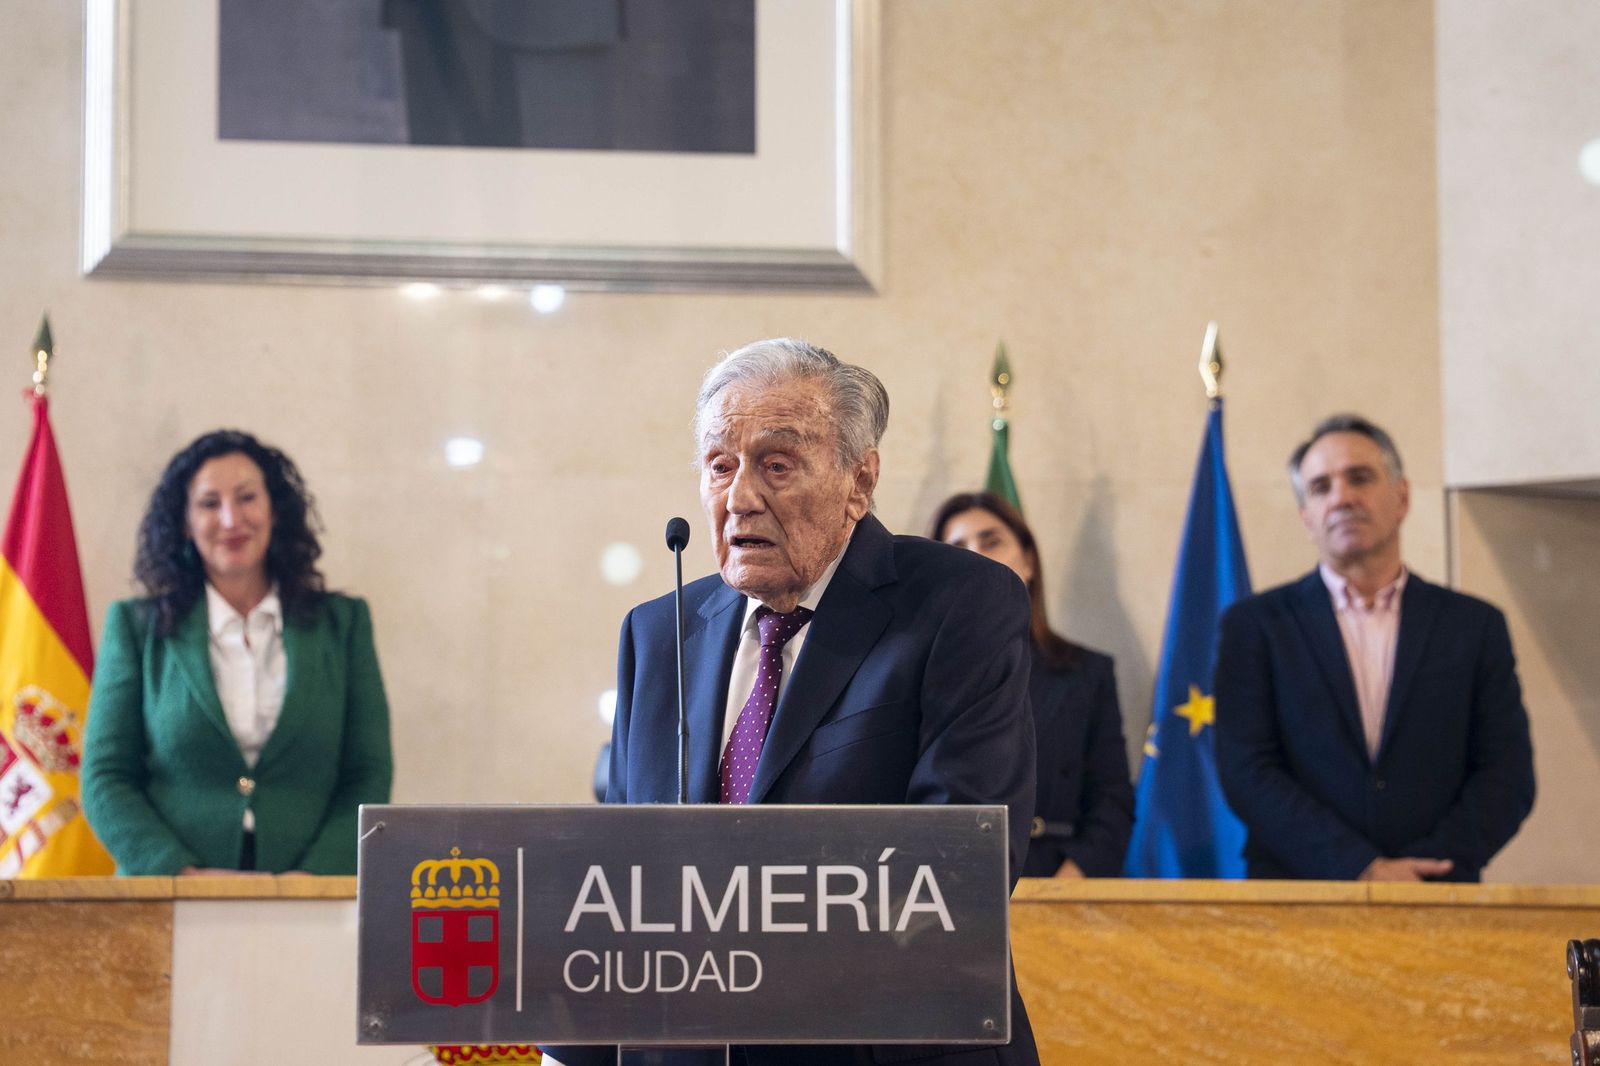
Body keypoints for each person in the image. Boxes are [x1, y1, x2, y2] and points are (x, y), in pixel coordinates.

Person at [557, 338, 1040, 1066]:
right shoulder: (660, 635)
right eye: (720, 466)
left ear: (860, 479)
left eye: (776, 465)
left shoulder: (959, 604)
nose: (740, 496)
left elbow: (958, 867)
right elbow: (627, 880)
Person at [1213, 414, 1535, 881]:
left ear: (1402, 497)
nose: (1341, 497)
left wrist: (1423, 871)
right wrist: (1359, 867)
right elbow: (1247, 772)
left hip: (1437, 900)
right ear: (1307, 518)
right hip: (1300, 898)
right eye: (1321, 487)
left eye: (1359, 478)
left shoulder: (1474, 626)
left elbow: (1507, 775)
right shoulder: (1256, 627)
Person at [81, 430, 392, 876]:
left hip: (315, 901)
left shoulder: (344, 624)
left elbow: (368, 773)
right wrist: (181, 875)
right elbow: (105, 777)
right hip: (168, 899)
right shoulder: (135, 628)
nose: (231, 519)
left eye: (247, 497)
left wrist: (312, 880)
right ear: (185, 522)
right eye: (209, 503)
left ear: (274, 510)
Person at [931, 491, 1133, 878]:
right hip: (949, 882)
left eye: (991, 541)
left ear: (1029, 560)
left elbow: (1113, 797)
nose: (976, 555)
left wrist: (1071, 880)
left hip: (1058, 881)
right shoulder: (915, 673)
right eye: (956, 547)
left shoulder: (1087, 672)